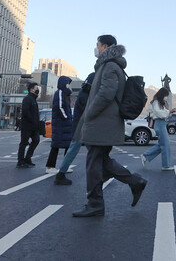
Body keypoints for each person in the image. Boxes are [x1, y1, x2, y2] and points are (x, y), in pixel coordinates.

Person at [72, 35, 147, 217]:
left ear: (105, 46)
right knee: (102, 161)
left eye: (97, 45)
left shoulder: (110, 66)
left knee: (93, 163)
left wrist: (89, 113)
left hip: (102, 122)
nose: (95, 48)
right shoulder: (110, 66)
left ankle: (95, 202)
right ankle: (135, 182)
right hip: (103, 122)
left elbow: (106, 93)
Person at [54, 72, 95, 185]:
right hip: (81, 128)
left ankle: (61, 174)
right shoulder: (86, 95)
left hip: (80, 127)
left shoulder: (84, 93)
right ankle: (61, 174)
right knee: (79, 150)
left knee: (84, 150)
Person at [141, 88, 174, 170]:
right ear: (162, 95)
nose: (166, 97)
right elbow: (158, 113)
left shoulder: (160, 102)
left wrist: (169, 112)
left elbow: (162, 113)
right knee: (165, 144)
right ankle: (165, 165)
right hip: (159, 123)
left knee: (162, 144)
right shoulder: (156, 102)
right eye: (166, 95)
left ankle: (146, 156)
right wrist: (168, 112)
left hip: (162, 123)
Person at [46, 76, 74, 173]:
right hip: (60, 125)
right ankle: (50, 167)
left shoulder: (65, 94)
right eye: (68, 83)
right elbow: (59, 107)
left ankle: (65, 166)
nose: (69, 86)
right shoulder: (60, 93)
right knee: (56, 146)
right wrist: (66, 117)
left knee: (67, 146)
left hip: (65, 125)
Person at [17, 82, 41, 168]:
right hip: (27, 125)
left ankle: (28, 158)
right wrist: (32, 121)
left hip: (34, 126)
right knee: (24, 143)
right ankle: (20, 161)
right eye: (36, 88)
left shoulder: (34, 99)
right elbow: (26, 112)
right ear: (31, 90)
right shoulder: (27, 99)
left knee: (36, 140)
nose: (38, 90)